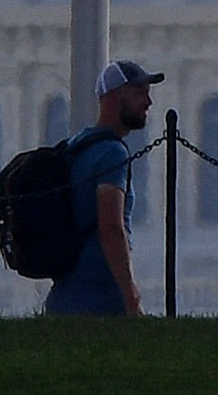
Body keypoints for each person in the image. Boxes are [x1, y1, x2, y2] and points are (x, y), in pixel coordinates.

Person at [45, 61, 159, 318]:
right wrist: (131, 297)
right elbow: (110, 228)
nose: (148, 102)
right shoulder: (111, 154)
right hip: (99, 297)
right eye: (139, 92)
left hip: (64, 295)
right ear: (114, 98)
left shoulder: (77, 146)